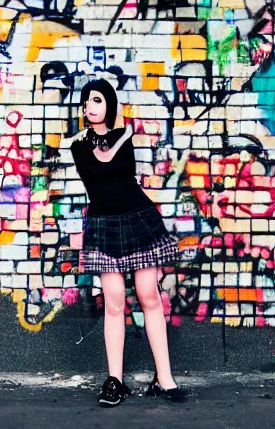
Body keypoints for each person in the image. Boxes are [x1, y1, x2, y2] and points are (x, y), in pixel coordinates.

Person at [69, 78, 188, 407]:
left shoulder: (125, 137)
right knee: (115, 301)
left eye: (96, 100)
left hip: (137, 220)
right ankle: (115, 381)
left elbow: (121, 171)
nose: (89, 107)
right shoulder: (79, 146)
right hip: (104, 226)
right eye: (86, 103)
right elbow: (98, 173)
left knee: (150, 295)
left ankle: (164, 379)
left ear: (109, 103)